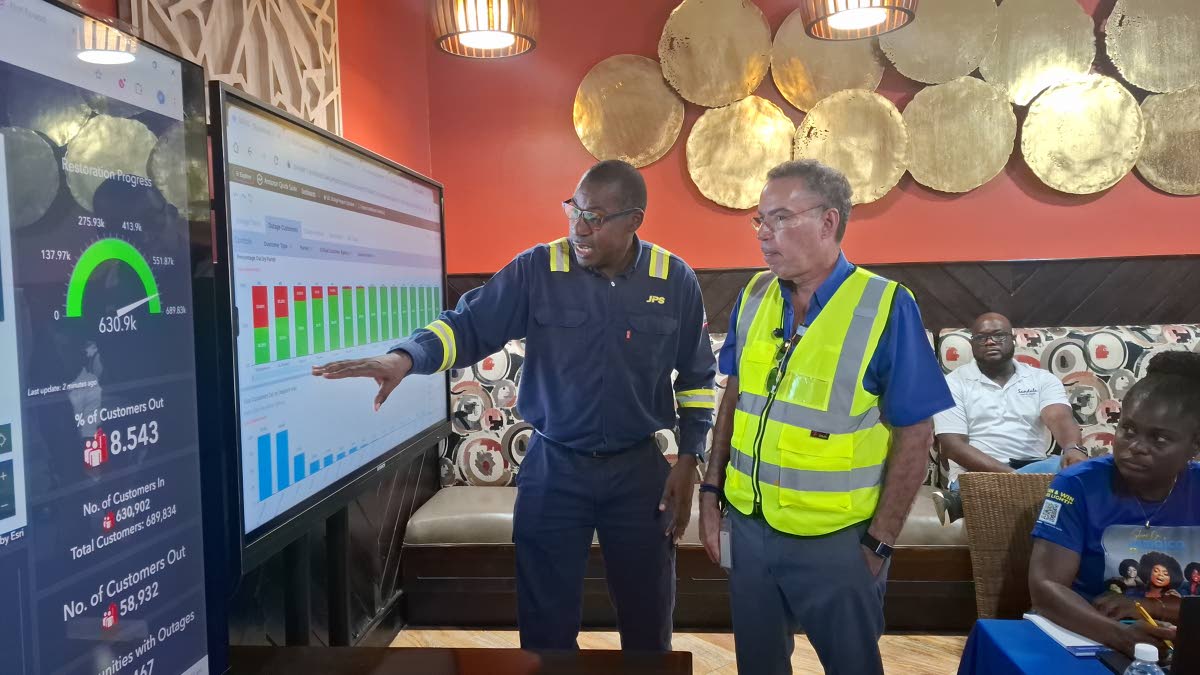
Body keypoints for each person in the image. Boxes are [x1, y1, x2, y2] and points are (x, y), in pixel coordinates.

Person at [313, 159, 716, 652]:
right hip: (554, 469)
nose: (579, 228)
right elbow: (466, 325)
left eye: (595, 218)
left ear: (634, 221)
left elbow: (697, 379)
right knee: (545, 624)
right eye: (575, 210)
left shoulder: (673, 280)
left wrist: (690, 460)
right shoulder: (538, 269)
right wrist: (405, 358)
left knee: (649, 618)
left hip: (638, 473)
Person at [696, 160, 954, 675]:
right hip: (750, 526)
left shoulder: (885, 306)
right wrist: (710, 492)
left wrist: (880, 540)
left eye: (781, 219)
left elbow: (915, 431)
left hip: (838, 540)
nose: (764, 235)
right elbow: (734, 398)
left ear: (828, 222)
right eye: (759, 221)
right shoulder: (753, 296)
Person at [1028, 351, 1200, 658]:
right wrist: (1122, 637)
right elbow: (1045, 588)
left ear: (1194, 445)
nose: (1136, 447)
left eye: (1159, 439)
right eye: (1128, 429)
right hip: (1095, 639)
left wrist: (1150, 606)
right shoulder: (1077, 486)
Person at [930, 313, 1087, 524]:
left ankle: (962, 502)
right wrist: (1017, 480)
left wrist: (1073, 449)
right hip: (977, 475)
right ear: (972, 344)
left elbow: (1060, 417)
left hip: (1035, 469)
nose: (990, 341)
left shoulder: (1042, 379)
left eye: (998, 335)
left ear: (1012, 339)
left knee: (1083, 467)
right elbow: (953, 447)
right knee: (1057, 482)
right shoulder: (953, 384)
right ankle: (1013, 494)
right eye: (981, 337)